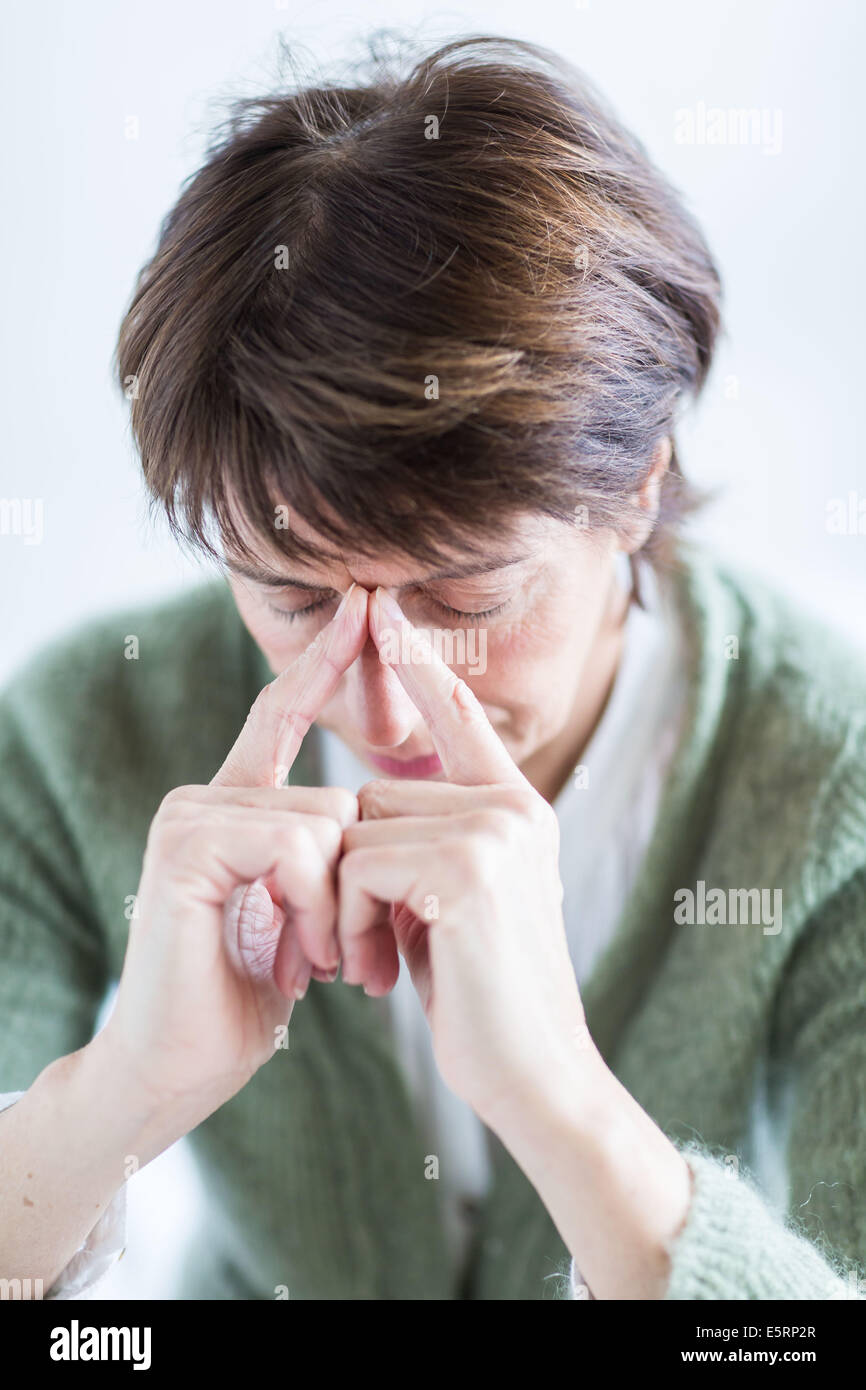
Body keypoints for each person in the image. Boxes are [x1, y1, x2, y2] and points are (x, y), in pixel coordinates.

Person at [1, 33, 864, 1302]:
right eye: (292, 597)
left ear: (638, 486)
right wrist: (122, 1093)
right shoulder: (79, 735)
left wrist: (565, 1107)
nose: (378, 697)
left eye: (464, 596)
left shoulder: (830, 789)